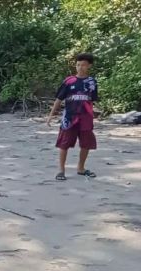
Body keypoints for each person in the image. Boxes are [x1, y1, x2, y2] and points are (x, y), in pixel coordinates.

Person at [46, 53, 99, 181]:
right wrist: (50, 115)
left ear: (89, 66)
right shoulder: (69, 81)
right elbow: (59, 99)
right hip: (69, 118)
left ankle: (81, 168)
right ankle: (61, 170)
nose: (80, 67)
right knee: (64, 144)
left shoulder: (92, 82)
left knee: (86, 143)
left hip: (86, 118)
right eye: (78, 65)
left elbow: (92, 100)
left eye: (83, 65)